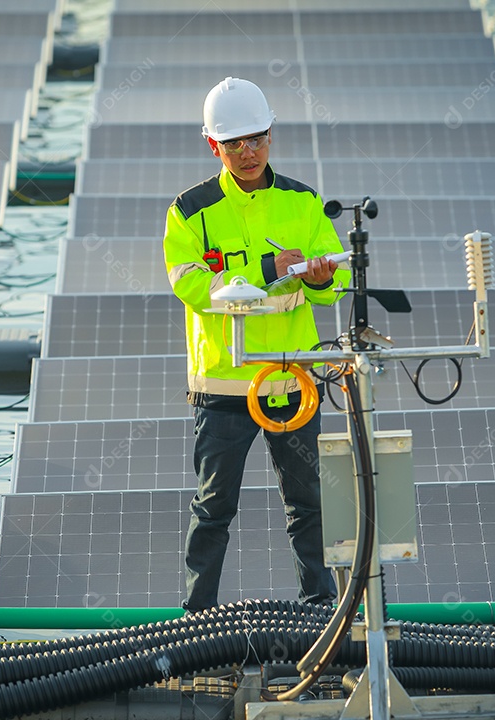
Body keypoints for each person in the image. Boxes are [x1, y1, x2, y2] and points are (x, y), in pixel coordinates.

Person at [162, 76, 351, 612]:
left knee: (308, 504)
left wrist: (316, 277)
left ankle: (320, 614)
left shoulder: (304, 201)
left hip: (292, 381)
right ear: (213, 145)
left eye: (257, 139)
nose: (248, 153)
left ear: (271, 134)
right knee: (214, 507)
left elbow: (334, 280)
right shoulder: (189, 210)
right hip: (224, 387)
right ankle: (197, 624)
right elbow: (190, 283)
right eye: (234, 143)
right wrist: (267, 268)